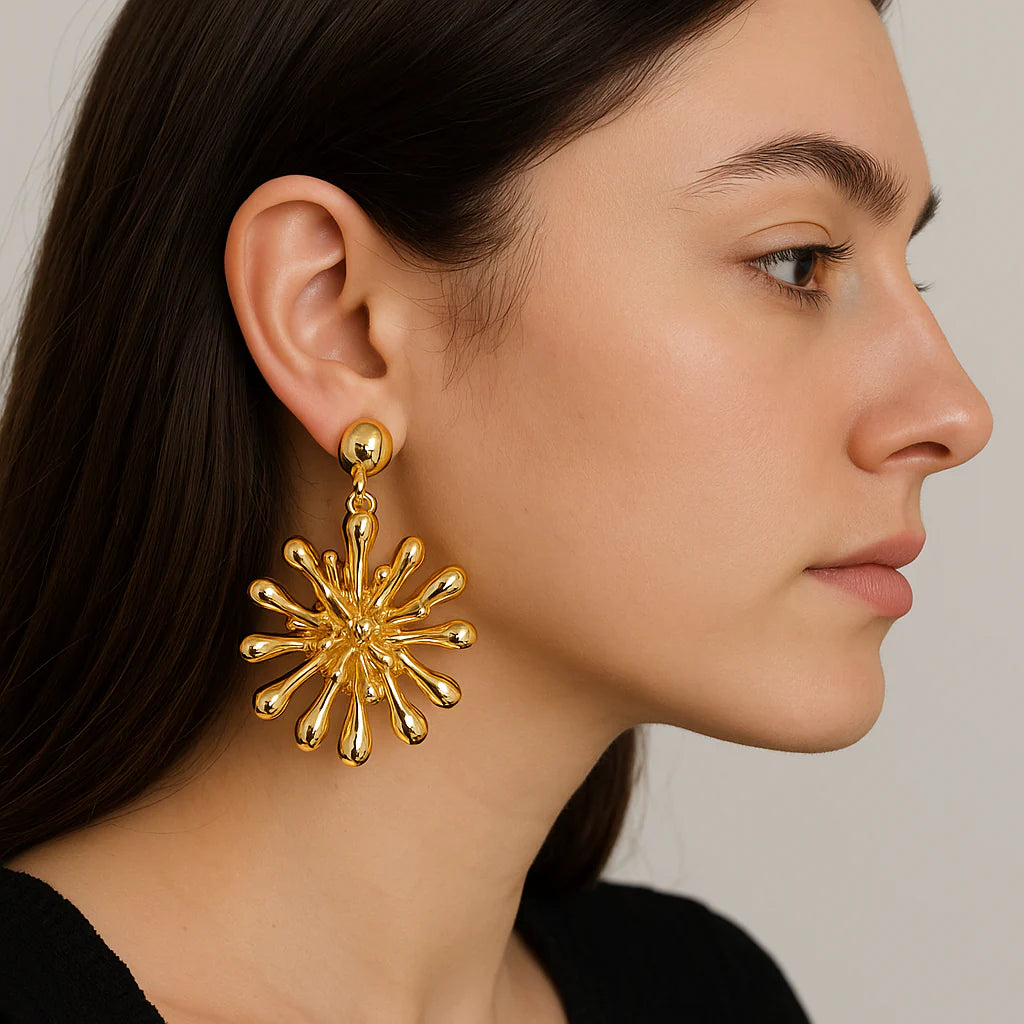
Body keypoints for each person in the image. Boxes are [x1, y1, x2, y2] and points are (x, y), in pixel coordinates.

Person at [0, 0, 993, 1020]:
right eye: (796, 261)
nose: (956, 414)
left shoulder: (710, 996)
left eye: (909, 272)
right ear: (336, 319)